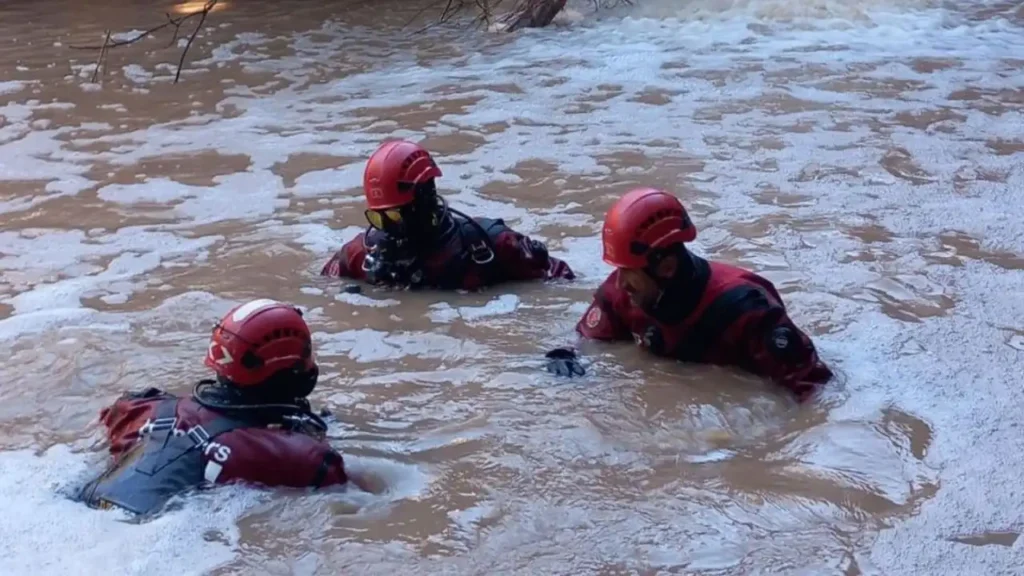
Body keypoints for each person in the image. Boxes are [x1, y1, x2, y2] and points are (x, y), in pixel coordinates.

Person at [78, 298, 368, 517]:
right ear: (289, 371)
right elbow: (357, 496)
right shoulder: (307, 458)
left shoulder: (140, 406)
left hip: (77, 511)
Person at [544, 187, 833, 402]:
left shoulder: (748, 310)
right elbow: (586, 340)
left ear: (666, 268)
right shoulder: (624, 294)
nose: (619, 284)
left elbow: (816, 394)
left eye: (628, 272)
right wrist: (565, 354)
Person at [321, 139, 575, 290]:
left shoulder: (489, 245)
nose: (387, 228)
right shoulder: (359, 254)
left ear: (425, 200)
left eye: (395, 216)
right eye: (378, 218)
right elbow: (321, 291)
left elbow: (563, 284)